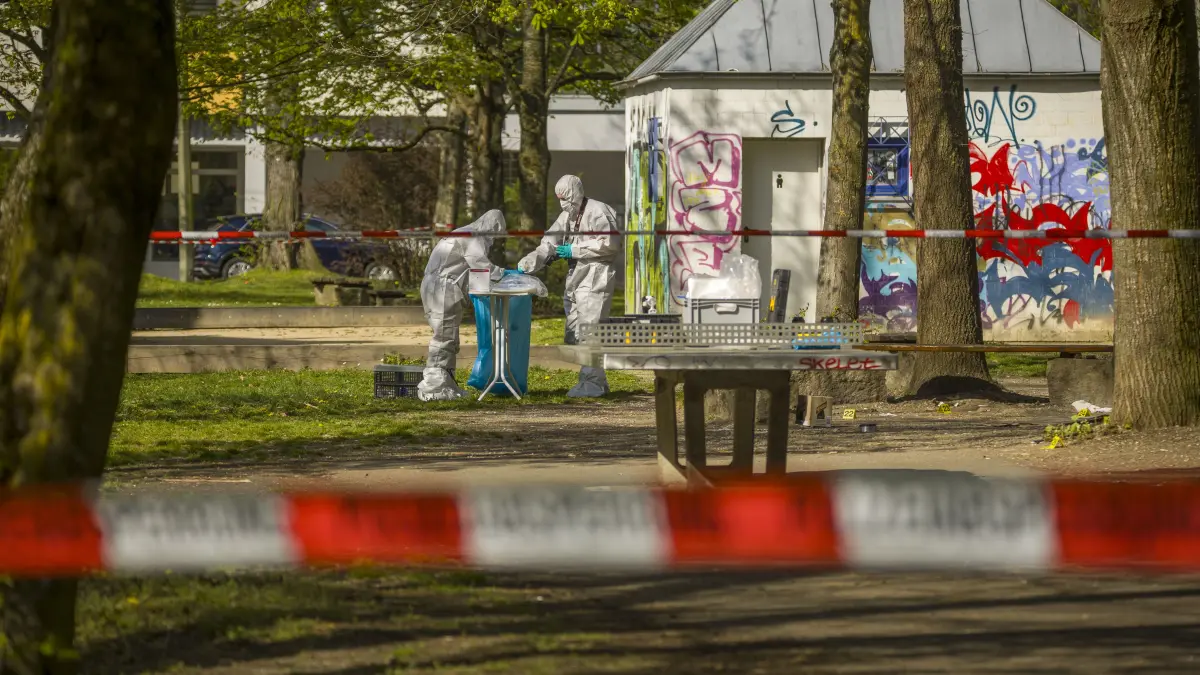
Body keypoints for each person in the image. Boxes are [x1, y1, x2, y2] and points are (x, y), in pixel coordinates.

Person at [517, 175, 620, 397]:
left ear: (576, 193)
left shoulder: (598, 211)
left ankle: (591, 383)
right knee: (574, 330)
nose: (564, 204)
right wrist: (531, 262)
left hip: (596, 276)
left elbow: (610, 244)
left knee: (590, 329)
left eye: (567, 198)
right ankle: (598, 381)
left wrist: (573, 250)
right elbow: (550, 242)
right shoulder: (568, 216)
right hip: (577, 277)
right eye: (560, 200)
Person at [417, 209, 508, 401]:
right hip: (442, 288)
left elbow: (474, 272)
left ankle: (446, 382)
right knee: (443, 336)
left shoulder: (465, 233)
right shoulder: (471, 237)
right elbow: (481, 265)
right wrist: (505, 274)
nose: (493, 239)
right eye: (493, 233)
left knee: (448, 336)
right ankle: (433, 387)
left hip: (440, 286)